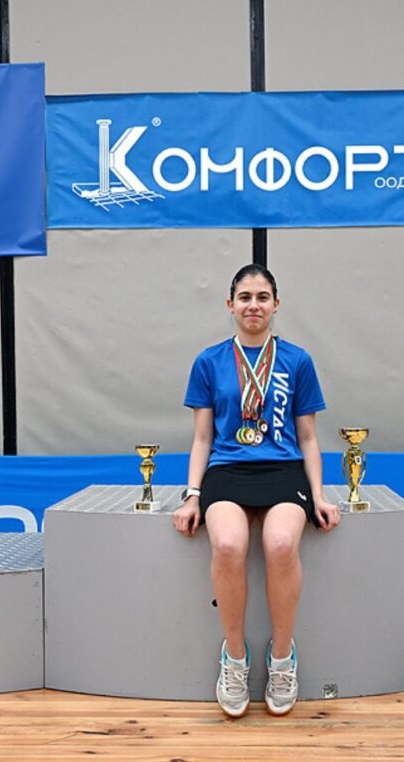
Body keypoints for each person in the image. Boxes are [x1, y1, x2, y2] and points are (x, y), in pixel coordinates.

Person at [172, 264, 340, 718]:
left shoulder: (297, 361)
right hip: (227, 470)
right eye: (244, 297)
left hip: (284, 470)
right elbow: (202, 438)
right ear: (230, 305)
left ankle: (282, 658)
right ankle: (235, 657)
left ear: (276, 304)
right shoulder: (209, 362)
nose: (253, 305)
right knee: (228, 544)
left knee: (281, 543)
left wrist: (319, 495)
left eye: (262, 297)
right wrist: (192, 494)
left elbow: (308, 438)